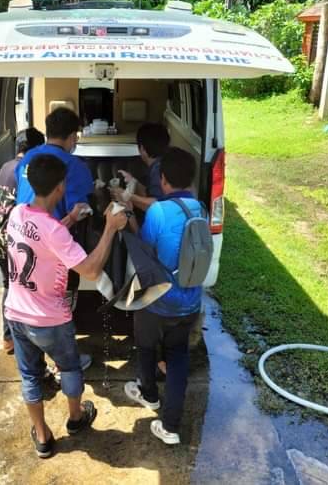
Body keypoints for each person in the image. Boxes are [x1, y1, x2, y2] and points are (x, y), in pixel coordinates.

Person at [5, 154, 128, 458]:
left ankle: (44, 437)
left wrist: (71, 219)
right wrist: (111, 228)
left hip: (16, 313)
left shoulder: (18, 213)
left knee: (31, 376)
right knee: (69, 367)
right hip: (49, 319)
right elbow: (90, 270)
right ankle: (75, 418)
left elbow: (41, 238)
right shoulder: (55, 232)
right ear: (60, 186)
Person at [123, 147, 205, 445]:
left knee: (145, 345)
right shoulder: (200, 209)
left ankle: (149, 395)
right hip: (190, 301)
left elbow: (146, 250)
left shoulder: (158, 211)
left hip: (159, 299)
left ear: (165, 181)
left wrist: (129, 217)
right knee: (178, 357)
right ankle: (170, 426)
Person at [0, 128, 46, 354]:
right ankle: (22, 339)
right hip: (12, 236)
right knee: (20, 289)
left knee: (8, 287)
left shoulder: (6, 166)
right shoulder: (26, 171)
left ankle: (8, 338)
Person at [16, 107, 94, 226]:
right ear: (73, 136)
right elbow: (81, 211)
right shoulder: (74, 165)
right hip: (51, 236)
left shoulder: (28, 157)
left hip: (21, 230)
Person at [110, 122, 170, 211]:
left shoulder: (158, 170)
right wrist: (133, 181)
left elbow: (157, 206)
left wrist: (126, 195)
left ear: (142, 148)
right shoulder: (162, 163)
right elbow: (149, 195)